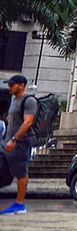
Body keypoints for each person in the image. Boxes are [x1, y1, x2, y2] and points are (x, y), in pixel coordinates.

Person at [2, 75, 37, 215]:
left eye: (12, 85)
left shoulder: (29, 101)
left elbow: (28, 122)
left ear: (21, 85)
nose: (9, 88)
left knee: (21, 173)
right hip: (7, 140)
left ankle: (20, 204)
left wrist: (15, 139)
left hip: (21, 142)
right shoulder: (15, 100)